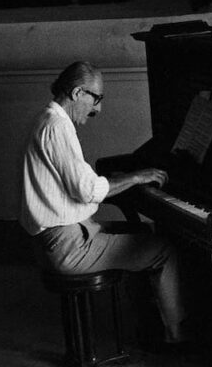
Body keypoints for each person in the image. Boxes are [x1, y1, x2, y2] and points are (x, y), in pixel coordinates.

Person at [20, 61, 189, 345]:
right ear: (77, 93)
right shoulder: (58, 126)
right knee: (163, 251)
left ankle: (148, 326)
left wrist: (123, 178)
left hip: (58, 237)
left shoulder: (47, 119)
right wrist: (135, 177)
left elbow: (78, 185)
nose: (98, 108)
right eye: (96, 98)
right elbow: (86, 190)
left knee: (142, 236)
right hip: (67, 246)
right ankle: (178, 337)